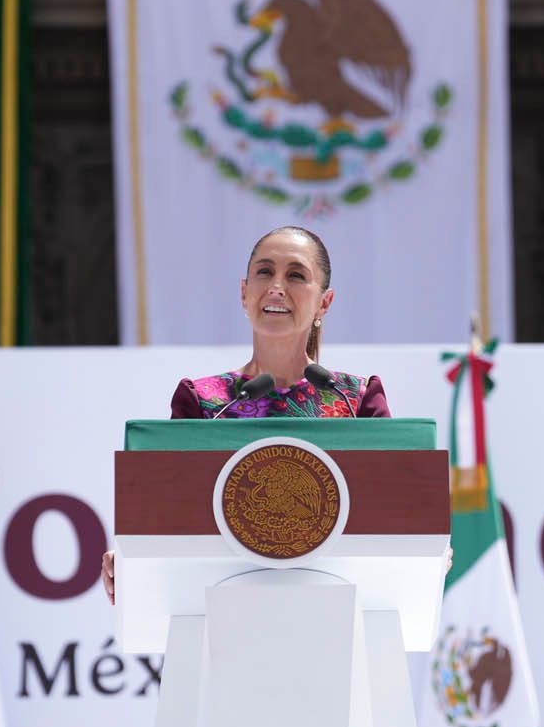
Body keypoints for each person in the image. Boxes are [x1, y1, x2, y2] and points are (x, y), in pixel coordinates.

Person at [102, 226, 391, 604]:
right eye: (264, 272)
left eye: (296, 275)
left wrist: (428, 546)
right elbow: (167, 515)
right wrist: (133, 559)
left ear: (324, 303)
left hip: (339, 608)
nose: (276, 286)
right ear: (244, 292)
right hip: (221, 612)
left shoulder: (357, 400)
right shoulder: (204, 401)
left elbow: (395, 510)